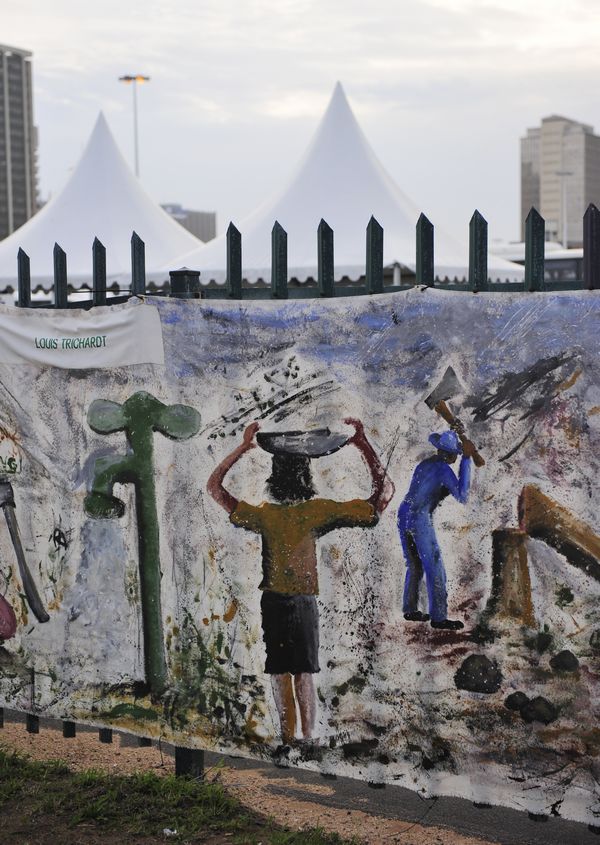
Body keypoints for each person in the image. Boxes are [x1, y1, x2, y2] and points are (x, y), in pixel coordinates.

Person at [207, 418, 394, 745]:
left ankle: (289, 737)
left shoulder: (265, 515)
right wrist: (362, 443)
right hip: (303, 601)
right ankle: (307, 736)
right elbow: (384, 495)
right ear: (306, 477)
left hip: (274, 601)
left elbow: (214, 487)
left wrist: (242, 447)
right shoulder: (316, 511)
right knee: (303, 672)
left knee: (281, 671)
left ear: (274, 478)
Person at [398, 430, 475, 631]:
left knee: (414, 564)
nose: (456, 457)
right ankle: (439, 617)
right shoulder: (443, 470)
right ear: (450, 455)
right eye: (456, 455)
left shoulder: (424, 464)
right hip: (419, 517)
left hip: (404, 513)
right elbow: (463, 495)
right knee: (435, 567)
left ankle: (410, 608)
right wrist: (467, 460)